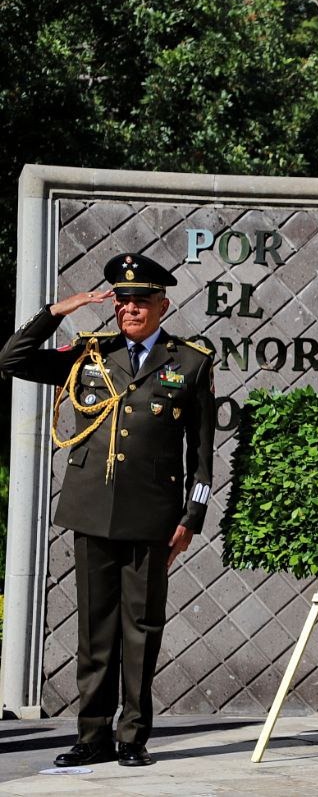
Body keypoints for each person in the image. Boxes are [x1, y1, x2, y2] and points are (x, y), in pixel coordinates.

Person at [0, 252, 215, 768]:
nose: (129, 308)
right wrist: (57, 310)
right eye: (122, 299)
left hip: (153, 518)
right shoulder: (90, 354)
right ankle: (91, 735)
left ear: (162, 304)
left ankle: (133, 737)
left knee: (141, 629)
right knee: (95, 631)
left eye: (141, 300)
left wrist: (192, 518)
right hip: (91, 510)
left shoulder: (190, 361)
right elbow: (13, 359)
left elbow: (203, 455)